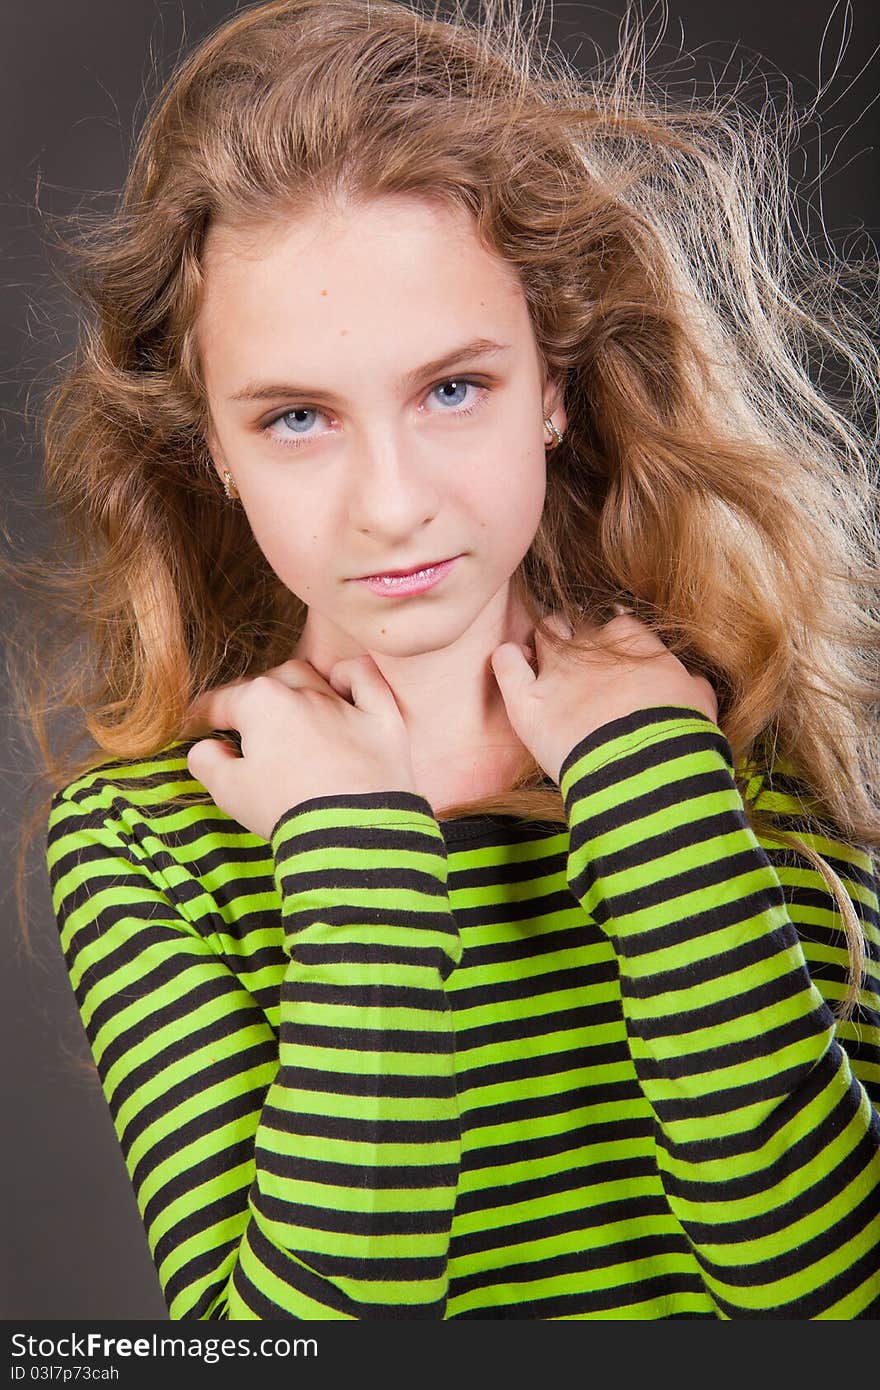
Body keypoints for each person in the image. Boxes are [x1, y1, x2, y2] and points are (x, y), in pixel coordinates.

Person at [17, 0, 880, 1319]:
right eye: (298, 415)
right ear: (214, 451)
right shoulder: (148, 846)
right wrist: (356, 858)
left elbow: (832, 1305)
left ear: (555, 383)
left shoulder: (734, 736)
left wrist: (661, 804)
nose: (392, 501)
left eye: (453, 388)